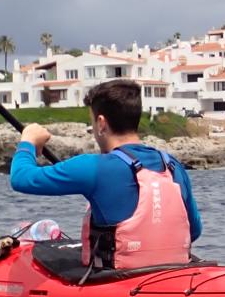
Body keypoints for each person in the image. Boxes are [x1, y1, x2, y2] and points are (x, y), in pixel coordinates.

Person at [11, 79, 202, 270]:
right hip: (175, 272)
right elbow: (194, 231)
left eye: (92, 122)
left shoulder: (92, 166)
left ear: (101, 123)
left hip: (119, 277)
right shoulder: (172, 165)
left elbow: (20, 177)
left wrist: (28, 140)